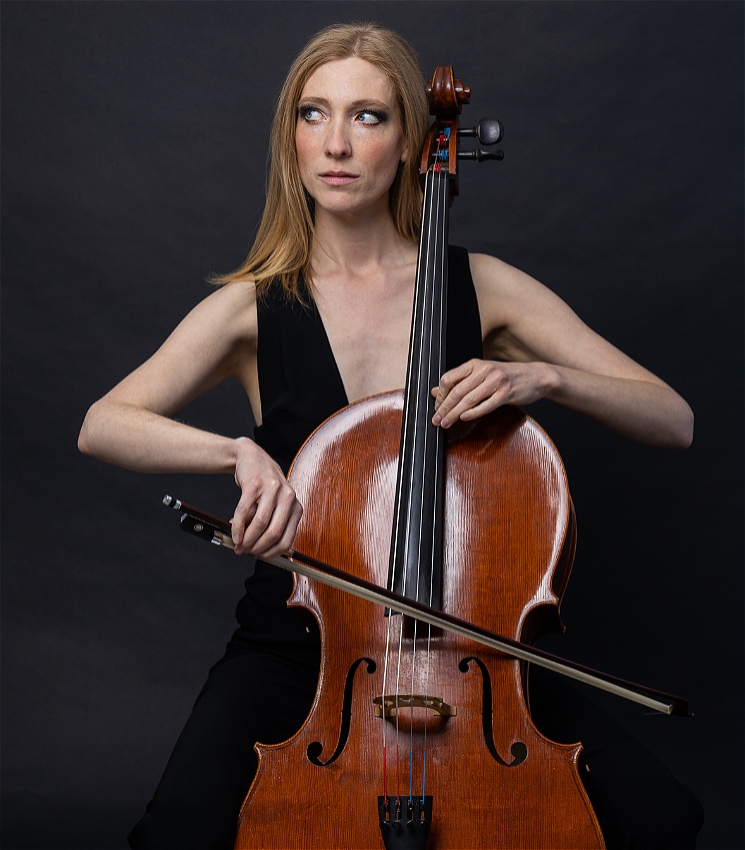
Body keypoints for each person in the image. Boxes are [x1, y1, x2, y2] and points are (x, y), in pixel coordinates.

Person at [78, 22, 704, 850]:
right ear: (290, 137)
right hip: (299, 649)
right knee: (180, 833)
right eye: (313, 114)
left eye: (367, 117)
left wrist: (541, 377)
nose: (335, 143)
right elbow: (102, 424)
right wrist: (236, 454)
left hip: (471, 654)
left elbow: (673, 418)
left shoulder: (484, 288)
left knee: (655, 814)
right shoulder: (253, 306)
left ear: (413, 141)